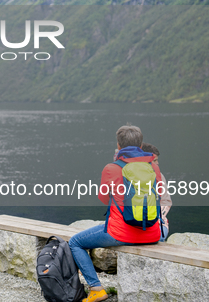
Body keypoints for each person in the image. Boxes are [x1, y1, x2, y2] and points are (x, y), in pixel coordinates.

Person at [69, 125, 163, 302]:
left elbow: (104, 199)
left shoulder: (111, 168)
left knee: (75, 242)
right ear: (141, 145)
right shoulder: (153, 168)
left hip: (121, 233)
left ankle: (96, 289)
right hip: (152, 233)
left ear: (118, 146)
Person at [141, 142, 171, 241]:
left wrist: (158, 217)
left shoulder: (160, 176)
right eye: (155, 160)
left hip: (156, 224)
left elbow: (166, 202)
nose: (157, 163)